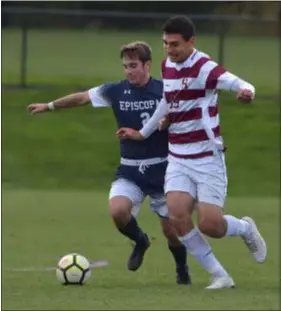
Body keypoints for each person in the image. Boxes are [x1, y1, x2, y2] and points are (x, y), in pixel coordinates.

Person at [117, 16, 267, 289]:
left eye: (175, 44)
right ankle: (220, 275)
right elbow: (167, 102)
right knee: (176, 216)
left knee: (211, 225)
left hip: (207, 156)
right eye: (165, 44)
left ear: (191, 42)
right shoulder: (167, 66)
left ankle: (244, 228)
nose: (169, 49)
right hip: (177, 156)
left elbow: (241, 84)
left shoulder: (204, 67)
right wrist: (143, 132)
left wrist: (247, 92)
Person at [27, 41, 191, 285]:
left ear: (147, 65)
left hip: (164, 170)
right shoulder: (116, 90)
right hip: (130, 169)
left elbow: (188, 117)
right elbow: (82, 98)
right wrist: (49, 106)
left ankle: (181, 269)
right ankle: (140, 240)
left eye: (133, 65)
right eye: (125, 66)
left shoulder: (164, 90)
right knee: (117, 211)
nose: (129, 71)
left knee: (172, 231)